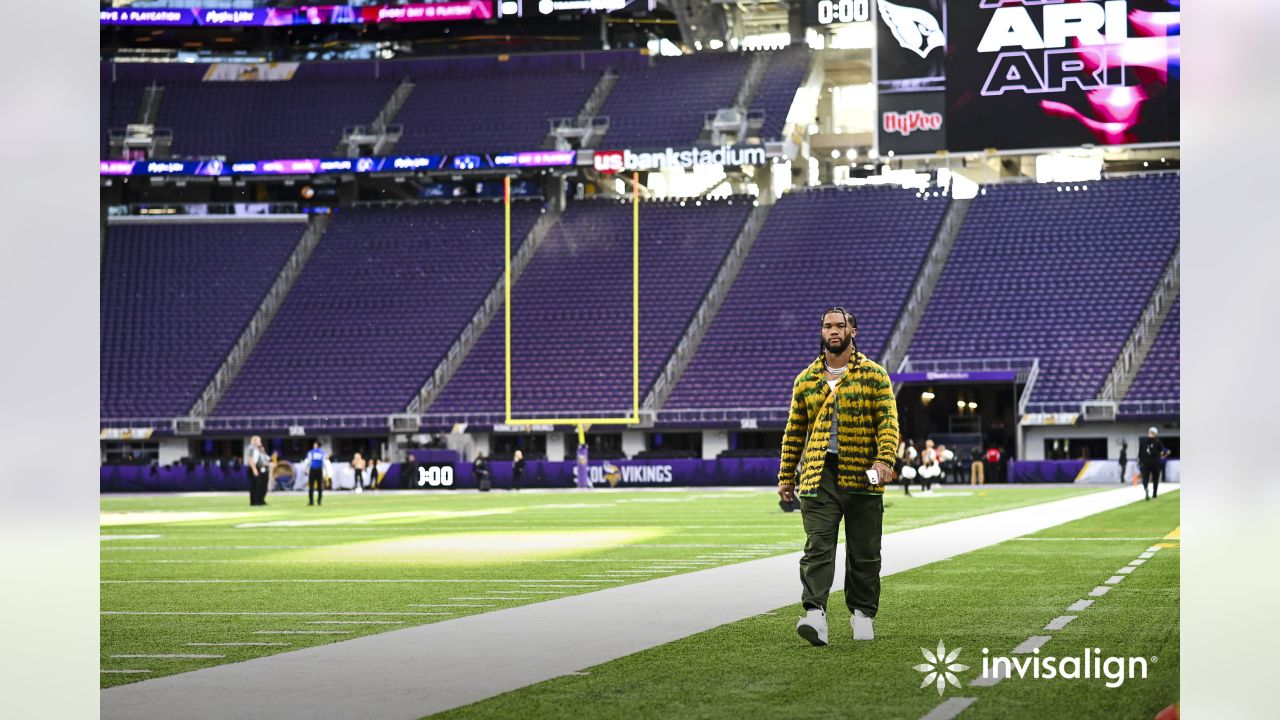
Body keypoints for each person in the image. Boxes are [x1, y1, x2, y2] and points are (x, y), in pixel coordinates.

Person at [778, 307, 899, 645]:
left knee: (865, 551)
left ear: (853, 331)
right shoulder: (806, 379)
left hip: (863, 473)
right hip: (818, 475)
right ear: (822, 332)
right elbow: (794, 431)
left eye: (839, 325)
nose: (833, 331)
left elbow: (888, 422)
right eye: (827, 326)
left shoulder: (874, 375)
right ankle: (815, 615)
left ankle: (862, 615)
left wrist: (884, 459)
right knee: (817, 547)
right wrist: (787, 475)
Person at [1138, 427, 1168, 500]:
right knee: (1155, 479)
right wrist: (1163, 453)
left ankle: (1146, 489)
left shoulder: (1143, 441)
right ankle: (1154, 495)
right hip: (1155, 463)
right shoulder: (1157, 442)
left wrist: (1140, 462)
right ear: (1155, 434)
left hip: (1145, 463)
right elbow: (1162, 452)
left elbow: (1139, 454)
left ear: (1149, 432)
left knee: (1145, 478)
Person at [246, 436, 270, 506]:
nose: (260, 443)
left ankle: (260, 500)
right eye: (259, 441)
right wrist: (254, 469)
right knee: (255, 486)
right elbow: (250, 459)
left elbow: (264, 459)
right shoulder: (251, 448)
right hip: (255, 468)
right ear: (254, 441)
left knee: (261, 486)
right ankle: (254, 502)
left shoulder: (258, 449)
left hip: (261, 468)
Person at [305, 440, 325, 506]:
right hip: (319, 470)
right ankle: (319, 501)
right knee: (320, 486)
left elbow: (308, 461)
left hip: (313, 469)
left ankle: (311, 501)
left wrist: (305, 469)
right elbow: (324, 462)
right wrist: (326, 471)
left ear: (316, 445)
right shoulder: (322, 453)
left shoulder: (311, 452)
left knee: (311, 486)